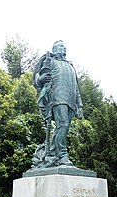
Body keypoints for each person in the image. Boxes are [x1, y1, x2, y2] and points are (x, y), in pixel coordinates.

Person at [33, 40, 83, 168]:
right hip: (58, 97)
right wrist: (40, 79)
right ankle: (62, 155)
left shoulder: (70, 66)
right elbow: (39, 77)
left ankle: (53, 153)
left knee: (62, 127)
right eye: (61, 46)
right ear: (54, 49)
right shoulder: (51, 61)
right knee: (63, 124)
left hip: (71, 100)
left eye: (64, 46)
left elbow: (76, 87)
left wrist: (80, 105)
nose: (64, 48)